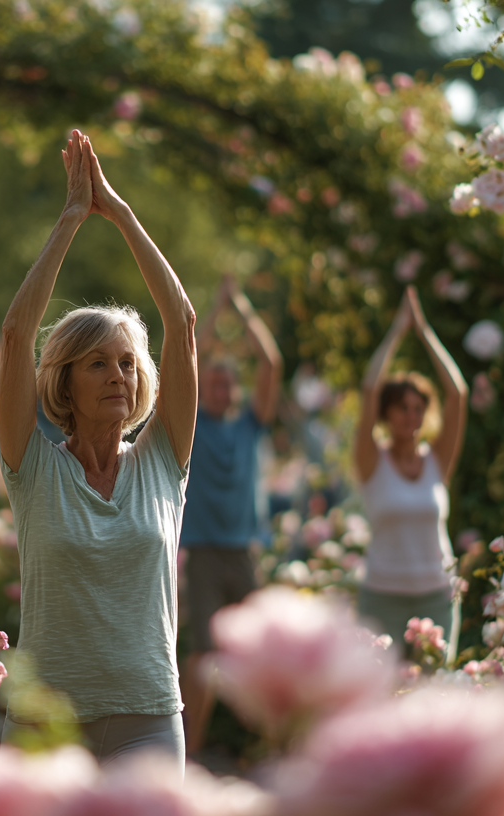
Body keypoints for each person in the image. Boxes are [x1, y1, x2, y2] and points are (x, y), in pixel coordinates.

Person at [0, 130, 197, 773]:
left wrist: (121, 212)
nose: (118, 375)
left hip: (148, 720)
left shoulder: (163, 460)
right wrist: (71, 221)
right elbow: (17, 333)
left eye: (127, 364)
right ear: (64, 380)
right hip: (46, 726)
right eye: (97, 364)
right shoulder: (34, 466)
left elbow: (183, 324)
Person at [178, 272, 281, 755]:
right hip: (201, 555)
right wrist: (213, 311)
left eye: (226, 383)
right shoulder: (192, 424)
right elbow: (185, 359)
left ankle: (271, 752)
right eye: (212, 382)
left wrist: (241, 308)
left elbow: (271, 362)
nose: (219, 388)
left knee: (262, 656)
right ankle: (188, 755)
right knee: (201, 658)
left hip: (242, 553)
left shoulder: (249, 426)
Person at [353, 286, 467, 659]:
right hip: (382, 600)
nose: (412, 415)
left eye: (418, 408)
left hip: (437, 598)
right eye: (402, 407)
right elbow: (370, 388)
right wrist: (398, 332)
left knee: (436, 697)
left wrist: (426, 334)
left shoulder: (437, 459)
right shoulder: (372, 460)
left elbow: (458, 394)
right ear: (386, 415)